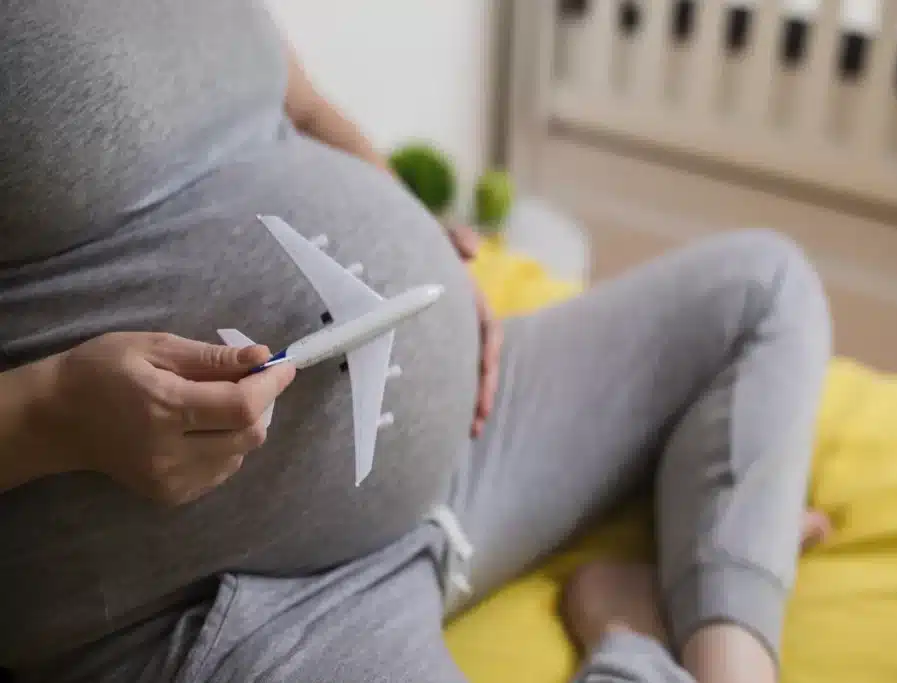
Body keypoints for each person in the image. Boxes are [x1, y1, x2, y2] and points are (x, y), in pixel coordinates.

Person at [0, 1, 832, 681]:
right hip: (228, 605)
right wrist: (54, 409)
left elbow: (295, 106)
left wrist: (420, 236)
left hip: (466, 447)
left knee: (763, 290)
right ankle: (629, 634)